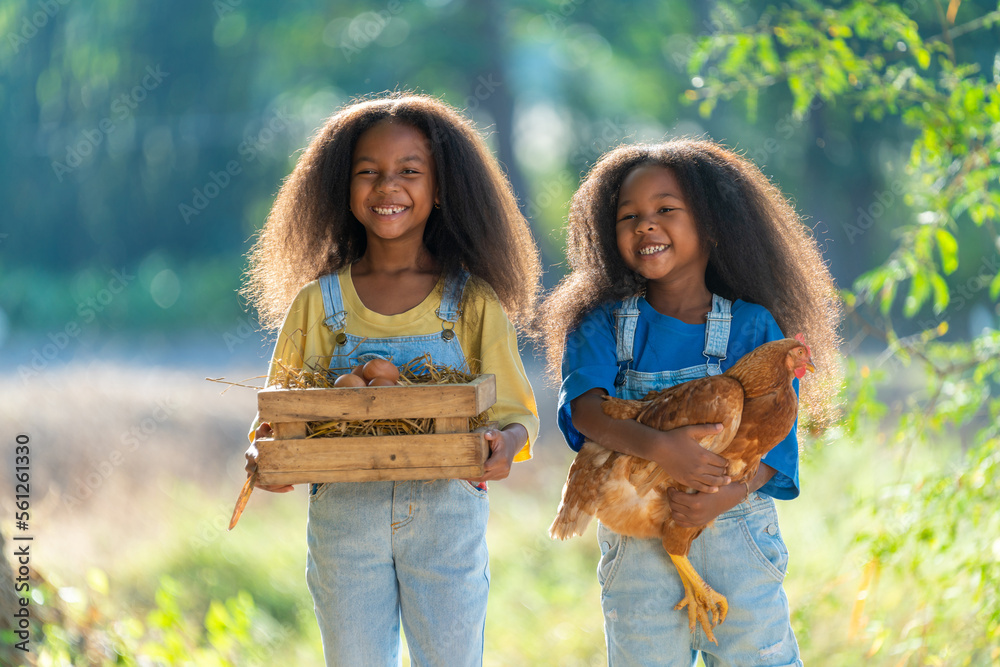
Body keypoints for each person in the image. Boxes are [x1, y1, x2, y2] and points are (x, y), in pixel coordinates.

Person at [241, 92, 542, 666]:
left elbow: (516, 413)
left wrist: (504, 443)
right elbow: (277, 416)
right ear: (341, 187)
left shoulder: (470, 300)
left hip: (446, 512)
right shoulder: (317, 303)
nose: (388, 187)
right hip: (344, 514)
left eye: (409, 171)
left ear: (441, 187)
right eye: (368, 173)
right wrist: (264, 458)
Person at [535, 139, 840, 666]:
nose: (645, 225)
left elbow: (776, 441)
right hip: (638, 540)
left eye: (666, 210)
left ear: (713, 226)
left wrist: (725, 496)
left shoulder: (752, 326)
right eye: (629, 216)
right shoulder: (604, 326)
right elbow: (586, 415)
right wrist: (662, 448)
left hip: (734, 529)